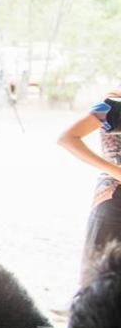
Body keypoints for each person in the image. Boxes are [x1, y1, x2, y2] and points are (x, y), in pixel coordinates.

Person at [57, 88, 121, 285]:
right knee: (96, 279)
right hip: (114, 200)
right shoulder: (112, 105)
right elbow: (67, 138)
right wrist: (115, 170)